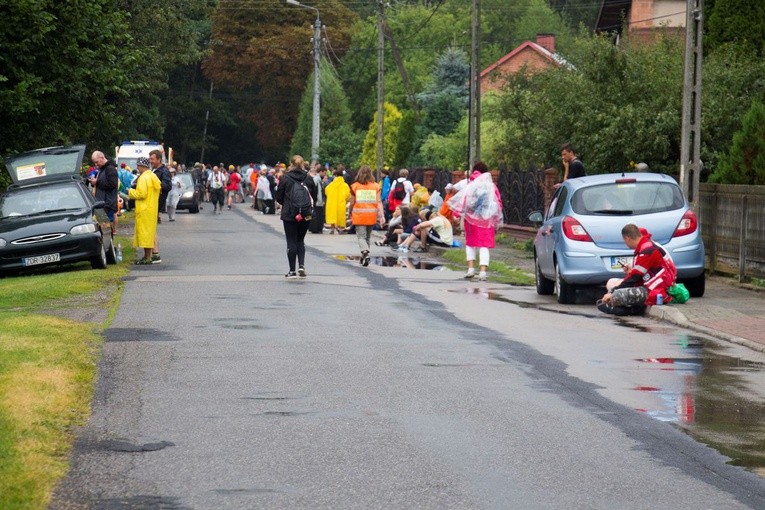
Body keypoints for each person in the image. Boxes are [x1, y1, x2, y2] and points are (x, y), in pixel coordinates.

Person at [598, 223, 677, 316]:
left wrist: (613, 292)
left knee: (616, 295)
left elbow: (635, 277)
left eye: (625, 241)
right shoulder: (645, 246)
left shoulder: (647, 251)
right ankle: (622, 304)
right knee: (611, 282)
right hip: (648, 283)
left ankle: (632, 309)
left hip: (657, 288)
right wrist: (631, 271)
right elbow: (640, 273)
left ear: (627, 238)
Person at [448, 162, 503, 281]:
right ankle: (483, 272)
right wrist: (497, 219)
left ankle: (470, 269)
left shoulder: (471, 184)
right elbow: (498, 202)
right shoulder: (491, 186)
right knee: (484, 245)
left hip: (471, 219)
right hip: (486, 219)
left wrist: (456, 214)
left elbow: (464, 200)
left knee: (471, 243)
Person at [275, 155, 318, 279]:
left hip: (289, 214)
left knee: (291, 240)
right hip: (305, 214)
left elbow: (279, 196)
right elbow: (313, 197)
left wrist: (286, 204)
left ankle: (292, 271)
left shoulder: (285, 178)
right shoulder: (309, 178)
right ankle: (302, 265)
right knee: (300, 240)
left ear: (291, 164)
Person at [128, 157, 161, 265]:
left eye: (138, 166)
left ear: (142, 166)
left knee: (145, 234)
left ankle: (147, 257)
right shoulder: (153, 176)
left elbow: (141, 194)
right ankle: (148, 256)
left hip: (144, 209)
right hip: (152, 209)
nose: (137, 168)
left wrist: (131, 192)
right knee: (149, 233)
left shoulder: (143, 178)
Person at [349, 165, 385, 266]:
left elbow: (352, 202)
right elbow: (379, 202)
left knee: (361, 237)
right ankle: (364, 257)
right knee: (367, 237)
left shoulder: (355, 186)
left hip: (359, 215)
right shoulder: (375, 186)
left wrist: (349, 212)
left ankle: (365, 251)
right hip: (371, 215)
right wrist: (382, 216)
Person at [89, 151, 119, 235]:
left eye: (97, 162)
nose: (96, 164)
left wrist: (97, 182)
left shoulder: (110, 169)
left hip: (107, 204)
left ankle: (108, 246)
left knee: (105, 229)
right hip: (102, 202)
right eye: (94, 163)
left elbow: (113, 184)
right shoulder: (102, 168)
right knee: (102, 227)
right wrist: (94, 182)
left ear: (102, 157)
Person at [324, 168, 350, 234]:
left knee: (333, 215)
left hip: (332, 203)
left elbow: (326, 191)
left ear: (335, 176)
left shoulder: (331, 185)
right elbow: (348, 195)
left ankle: (332, 228)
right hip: (341, 203)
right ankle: (341, 228)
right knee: (341, 215)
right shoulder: (345, 185)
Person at [308, 163, 326, 234]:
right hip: (318, 201)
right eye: (324, 173)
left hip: (318, 201)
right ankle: (316, 228)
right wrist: (318, 200)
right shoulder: (317, 179)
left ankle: (316, 228)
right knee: (317, 215)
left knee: (318, 215)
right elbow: (316, 191)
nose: (325, 175)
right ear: (320, 171)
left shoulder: (317, 179)